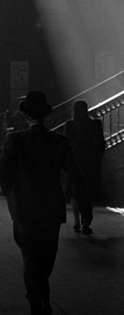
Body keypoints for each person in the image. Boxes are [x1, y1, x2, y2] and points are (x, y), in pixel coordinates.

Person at [0, 91, 92, 315]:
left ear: (25, 114)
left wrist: (11, 194)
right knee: (46, 255)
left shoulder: (15, 140)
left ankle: (36, 299)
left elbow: (4, 173)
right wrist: (85, 206)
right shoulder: (58, 142)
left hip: (24, 206)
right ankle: (41, 295)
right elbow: (75, 175)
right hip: (51, 206)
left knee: (29, 254)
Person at [64, 100, 106, 233]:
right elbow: (101, 143)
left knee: (75, 192)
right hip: (91, 163)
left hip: (75, 162)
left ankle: (77, 221)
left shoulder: (70, 124)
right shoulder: (95, 124)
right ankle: (86, 222)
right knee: (89, 193)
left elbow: (67, 144)